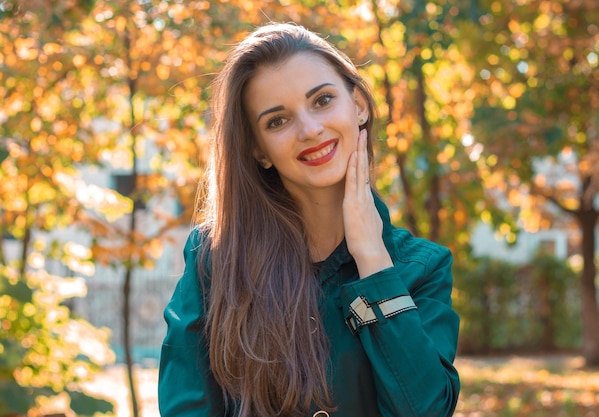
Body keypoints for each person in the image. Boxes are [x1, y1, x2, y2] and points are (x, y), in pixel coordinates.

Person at [158, 22, 460, 417]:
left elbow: (426, 410)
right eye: (277, 121)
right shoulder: (214, 258)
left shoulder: (423, 267)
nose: (310, 129)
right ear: (259, 151)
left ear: (359, 106)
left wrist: (372, 260)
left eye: (322, 100)